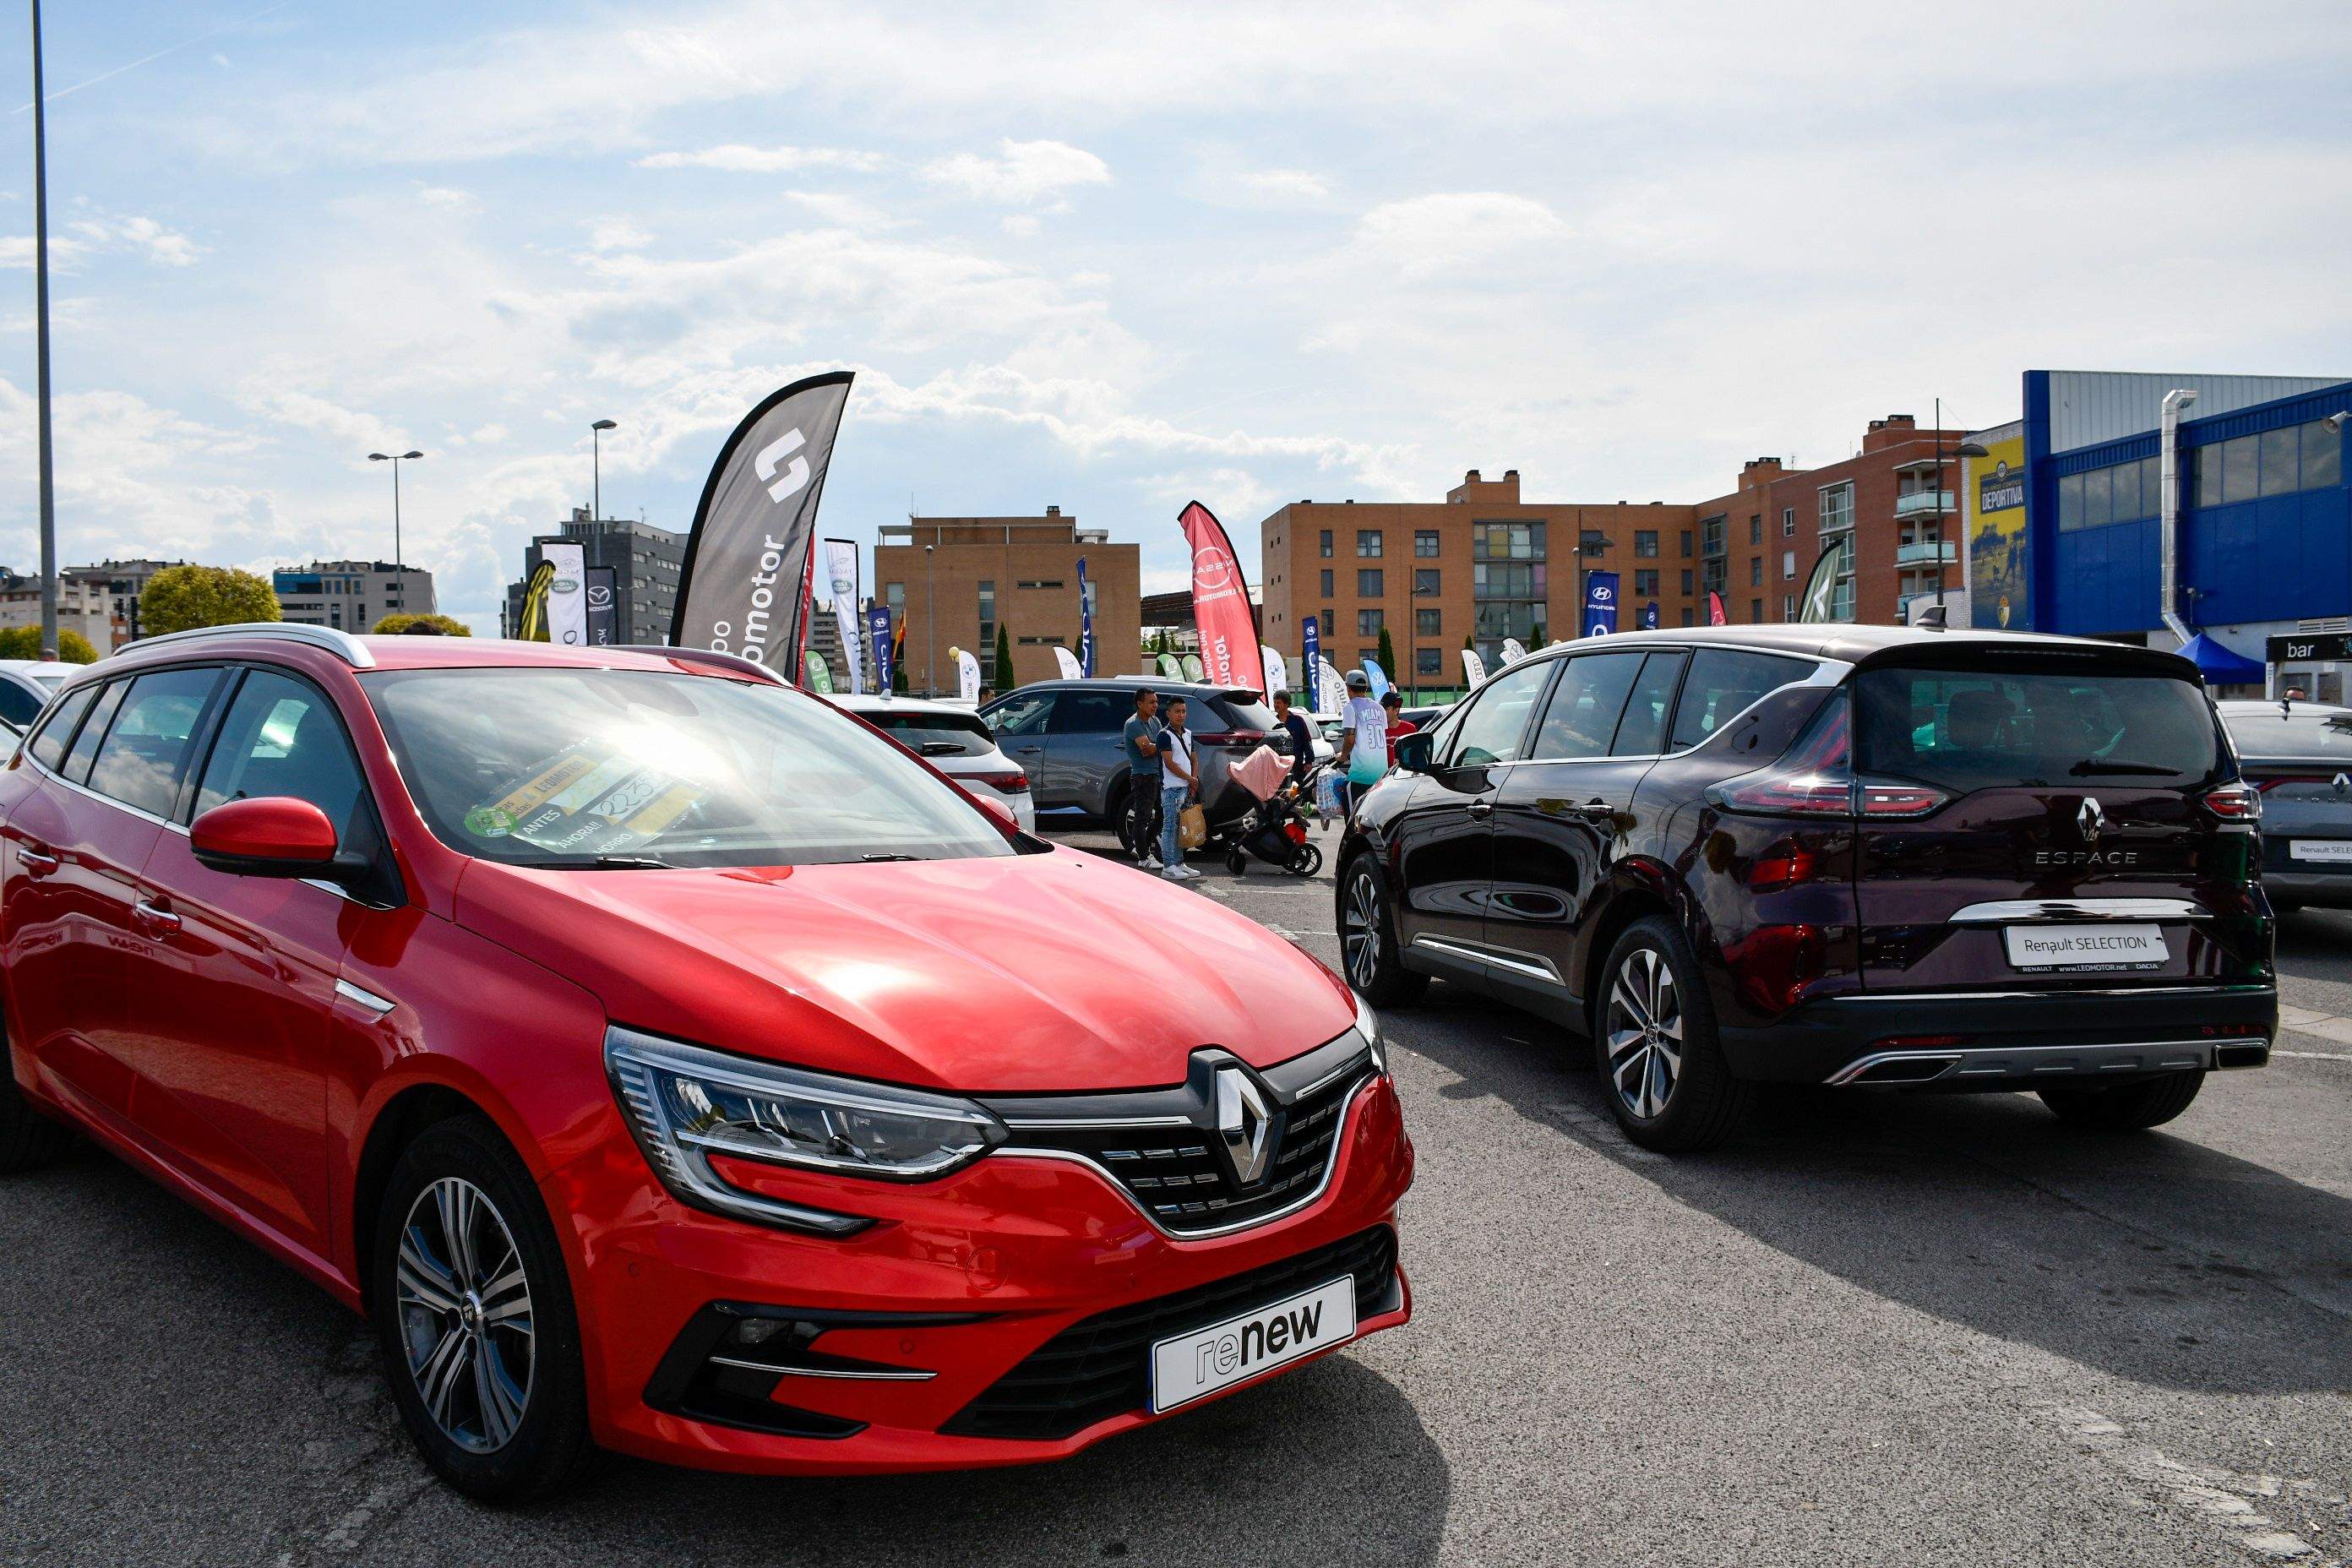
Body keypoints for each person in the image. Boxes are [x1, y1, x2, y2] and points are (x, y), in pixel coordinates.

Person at [1157, 696, 1203, 880]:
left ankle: (1179, 862)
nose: (1181, 715)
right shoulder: (1164, 735)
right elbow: (1169, 763)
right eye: (1177, 711)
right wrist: (1191, 779)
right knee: (1170, 826)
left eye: (1184, 711)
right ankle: (1168, 865)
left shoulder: (1188, 733)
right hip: (1172, 788)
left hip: (1186, 786)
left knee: (1183, 826)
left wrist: (1193, 781)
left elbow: (1194, 758)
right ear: (1168, 713)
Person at [1335, 670, 1387, 817]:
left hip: (1360, 775)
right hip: (1381, 777)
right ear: (1366, 688)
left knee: (1353, 820)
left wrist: (1343, 756)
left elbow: (1350, 738)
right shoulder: (1379, 708)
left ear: (1348, 688)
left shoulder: (1350, 707)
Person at [1121, 689, 1163, 868]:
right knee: (1142, 816)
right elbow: (1146, 750)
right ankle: (1144, 858)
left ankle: (1141, 843)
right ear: (1140, 704)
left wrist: (1158, 746)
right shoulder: (1133, 724)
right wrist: (1161, 746)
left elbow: (1161, 745)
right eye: (1151, 702)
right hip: (1142, 776)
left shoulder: (1155, 721)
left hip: (1157, 774)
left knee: (1163, 815)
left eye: (1156, 702)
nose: (1155, 706)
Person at [1273, 689, 1315, 787]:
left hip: (1297, 767)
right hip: (1279, 767)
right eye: (1275, 702)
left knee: (1296, 792)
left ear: (1286, 704)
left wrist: (1309, 761)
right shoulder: (1273, 721)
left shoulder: (1298, 720)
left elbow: (1307, 740)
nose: (1276, 705)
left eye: (1278, 703)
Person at [1380, 690, 1418, 766]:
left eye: (1386, 709)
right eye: (1381, 709)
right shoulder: (1378, 729)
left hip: (1403, 775)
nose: (1382, 712)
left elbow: (1416, 755)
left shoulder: (1410, 729)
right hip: (1383, 775)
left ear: (1396, 711)